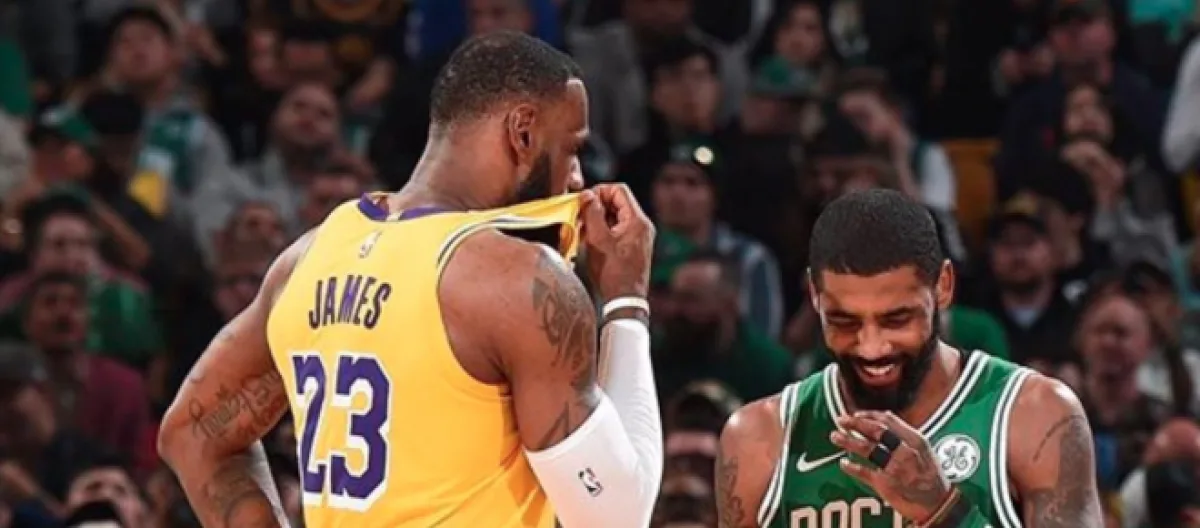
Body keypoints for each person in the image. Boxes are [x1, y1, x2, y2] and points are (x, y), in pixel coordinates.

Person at [156, 31, 664, 527]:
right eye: (572, 150)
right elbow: (616, 516)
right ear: (523, 132)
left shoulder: (308, 257)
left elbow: (195, 432)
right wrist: (626, 301)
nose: (576, 179)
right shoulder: (517, 280)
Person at [715, 189, 1104, 527]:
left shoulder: (1034, 413)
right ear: (815, 297)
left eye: (896, 319)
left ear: (943, 287)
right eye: (844, 321)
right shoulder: (758, 437)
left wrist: (944, 512)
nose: (871, 347)